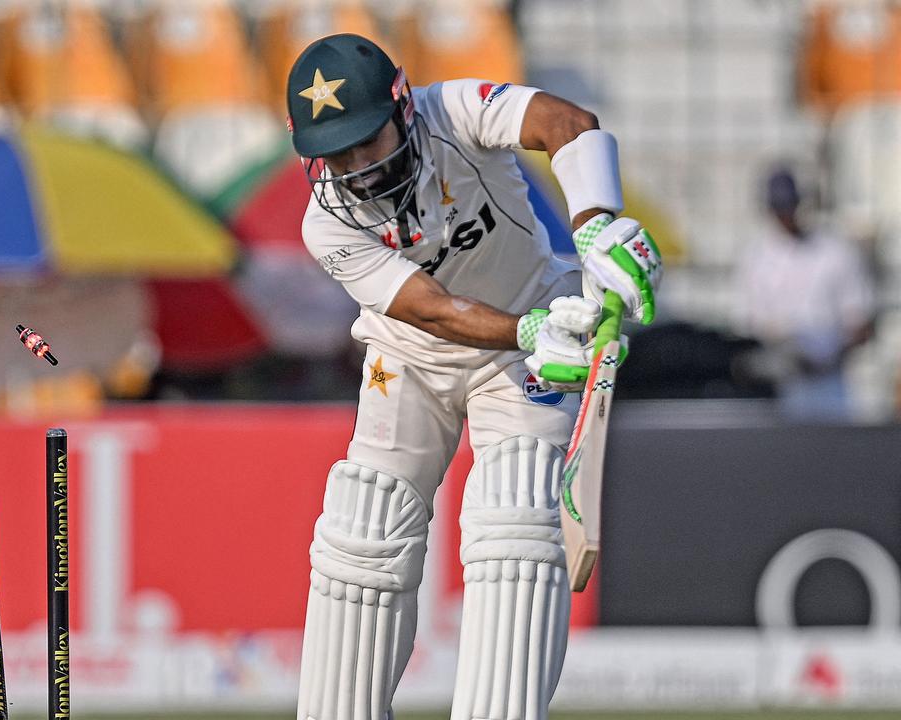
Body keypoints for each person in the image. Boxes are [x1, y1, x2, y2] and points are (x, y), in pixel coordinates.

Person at [286, 34, 662, 719]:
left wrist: (596, 232)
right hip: (412, 354)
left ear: (401, 108)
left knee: (513, 521)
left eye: (365, 144)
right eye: (334, 156)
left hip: (525, 347)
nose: (355, 170)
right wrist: (527, 330)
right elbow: (431, 310)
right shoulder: (325, 225)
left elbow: (566, 124)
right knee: (364, 526)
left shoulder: (454, 112)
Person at [735, 166, 874, 421]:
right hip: (781, 384)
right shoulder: (757, 257)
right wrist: (787, 351)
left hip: (831, 382)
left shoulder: (835, 251)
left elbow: (860, 323)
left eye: (789, 207)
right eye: (779, 208)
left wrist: (829, 354)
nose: (785, 216)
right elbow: (753, 323)